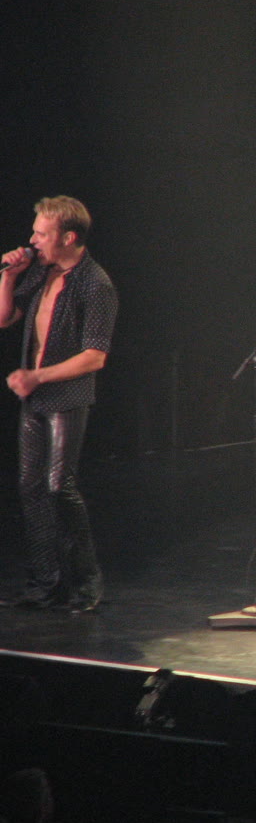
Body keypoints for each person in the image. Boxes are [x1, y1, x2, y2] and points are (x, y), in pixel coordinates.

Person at [0, 196, 118, 612]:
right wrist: (10, 276)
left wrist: (39, 375)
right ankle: (44, 584)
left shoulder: (95, 283)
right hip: (35, 399)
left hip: (66, 396)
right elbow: (4, 317)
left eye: (40, 233)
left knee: (58, 487)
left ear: (68, 237)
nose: (32, 240)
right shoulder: (43, 271)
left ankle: (87, 583)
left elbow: (95, 356)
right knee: (30, 489)